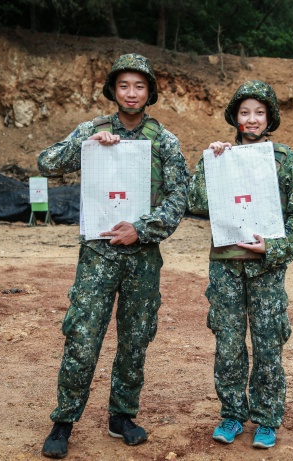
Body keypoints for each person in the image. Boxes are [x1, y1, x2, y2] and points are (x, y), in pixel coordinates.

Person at [37, 53, 189, 459]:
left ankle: (121, 416)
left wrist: (143, 229)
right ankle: (64, 420)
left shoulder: (164, 140)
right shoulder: (94, 129)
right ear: (113, 90)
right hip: (98, 256)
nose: (132, 93)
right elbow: (46, 163)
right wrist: (84, 147)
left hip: (142, 257)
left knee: (135, 340)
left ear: (150, 91)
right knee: (83, 337)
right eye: (124, 85)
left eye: (139, 86)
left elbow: (180, 196)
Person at [187, 80, 293, 449]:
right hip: (226, 266)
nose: (252, 119)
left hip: (266, 270)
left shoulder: (284, 159)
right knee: (228, 343)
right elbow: (194, 201)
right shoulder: (221, 155)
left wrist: (272, 248)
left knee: (268, 343)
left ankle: (268, 418)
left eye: (259, 112)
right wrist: (211, 161)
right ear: (235, 118)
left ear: (269, 117)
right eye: (244, 112)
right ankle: (232, 414)